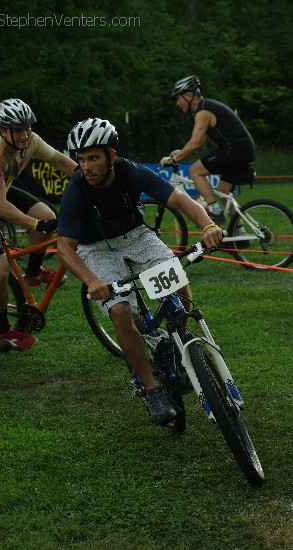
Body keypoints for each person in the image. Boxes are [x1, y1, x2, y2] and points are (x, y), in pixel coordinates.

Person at [57, 118, 222, 425]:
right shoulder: (76, 189)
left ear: (111, 155)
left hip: (137, 236)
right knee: (120, 311)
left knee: (178, 282)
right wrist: (91, 280)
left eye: (93, 157)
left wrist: (208, 225)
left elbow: (179, 198)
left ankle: (180, 345)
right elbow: (64, 246)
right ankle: (151, 387)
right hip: (95, 248)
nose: (86, 166)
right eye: (80, 159)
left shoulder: (131, 171)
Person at [0, 98, 77, 351]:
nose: (25, 134)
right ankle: (3, 330)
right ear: (2, 130)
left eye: (28, 127)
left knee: (47, 213)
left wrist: (91, 183)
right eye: (19, 130)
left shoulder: (31, 141)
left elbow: (62, 162)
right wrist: (35, 225)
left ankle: (32, 272)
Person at [160, 75, 256, 225]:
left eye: (179, 98)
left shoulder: (203, 112)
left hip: (234, 150)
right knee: (223, 192)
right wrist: (180, 153)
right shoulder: (207, 107)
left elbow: (195, 143)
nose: (178, 103)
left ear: (189, 96)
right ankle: (240, 236)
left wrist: (173, 160)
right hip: (242, 151)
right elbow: (200, 139)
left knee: (195, 171)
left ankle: (214, 212)